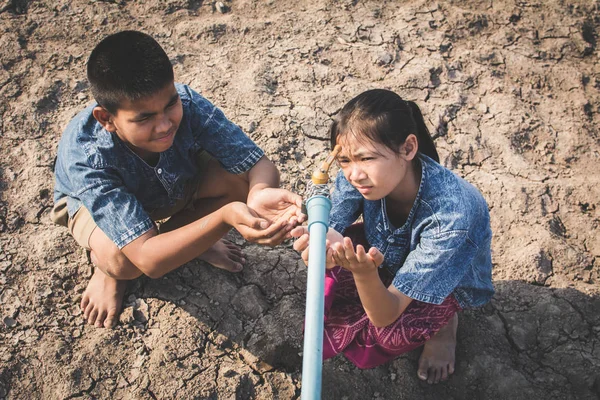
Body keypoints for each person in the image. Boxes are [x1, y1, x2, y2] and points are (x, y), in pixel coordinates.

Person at [51, 30, 304, 329]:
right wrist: (223, 218)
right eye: (144, 118)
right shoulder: (88, 154)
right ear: (106, 119)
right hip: (95, 209)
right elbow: (149, 260)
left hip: (173, 183)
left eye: (170, 105)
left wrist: (259, 192)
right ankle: (107, 272)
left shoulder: (186, 101)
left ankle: (191, 243)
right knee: (124, 261)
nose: (164, 125)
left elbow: (257, 164)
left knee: (242, 182)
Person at [292, 89, 493, 384]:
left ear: (408, 148)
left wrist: (364, 274)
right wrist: (317, 238)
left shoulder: (451, 214)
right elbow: (333, 220)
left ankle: (444, 326)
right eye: (344, 160)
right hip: (384, 253)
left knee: (390, 335)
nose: (354, 174)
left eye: (366, 158)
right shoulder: (359, 175)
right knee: (329, 272)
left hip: (442, 283)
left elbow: (385, 315)